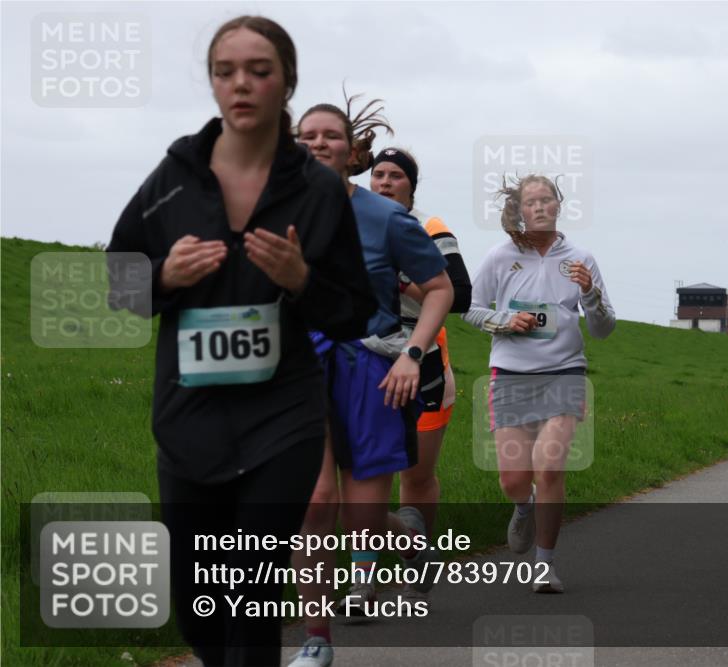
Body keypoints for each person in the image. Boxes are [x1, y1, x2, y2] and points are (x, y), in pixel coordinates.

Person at [105, 16, 377, 666]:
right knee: (200, 604)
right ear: (211, 82)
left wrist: (301, 279)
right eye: (226, 71)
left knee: (251, 588)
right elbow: (119, 283)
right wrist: (164, 279)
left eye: (259, 70)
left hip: (281, 413)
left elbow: (355, 313)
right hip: (188, 416)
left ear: (286, 81)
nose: (242, 84)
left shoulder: (315, 190)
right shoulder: (173, 176)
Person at [288, 96, 453, 667]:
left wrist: (412, 355)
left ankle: (408, 543)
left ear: (352, 150)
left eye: (329, 135)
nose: (316, 144)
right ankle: (316, 639)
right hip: (298, 368)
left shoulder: (389, 218)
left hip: (371, 371)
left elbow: (440, 289)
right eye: (305, 135)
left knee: (360, 522)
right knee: (315, 506)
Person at [463, 175, 616, 593]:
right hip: (510, 374)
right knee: (514, 479)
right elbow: (469, 309)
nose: (541, 206)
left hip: (564, 372)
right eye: (532, 201)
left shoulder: (580, 258)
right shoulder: (500, 256)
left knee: (550, 467)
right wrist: (505, 321)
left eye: (548, 199)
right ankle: (523, 505)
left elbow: (603, 329)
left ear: (559, 205)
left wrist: (591, 295)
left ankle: (544, 565)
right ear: (520, 210)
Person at [370, 147, 472, 602]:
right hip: (367, 356)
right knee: (365, 476)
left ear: (411, 185)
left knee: (414, 474)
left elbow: (461, 295)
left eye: (395, 176)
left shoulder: (430, 228)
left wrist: (400, 282)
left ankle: (417, 566)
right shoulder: (356, 222)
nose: (385, 182)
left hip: (425, 360)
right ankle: (367, 575)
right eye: (378, 174)